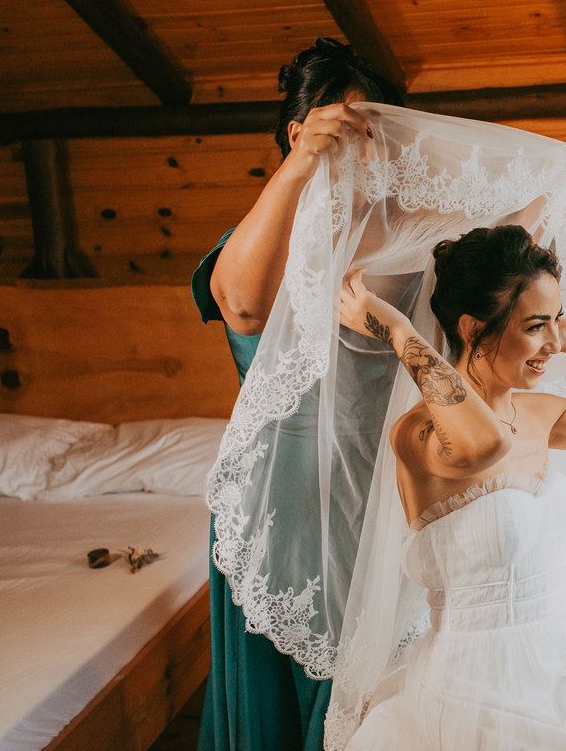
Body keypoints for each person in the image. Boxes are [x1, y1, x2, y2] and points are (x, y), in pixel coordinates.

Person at [335, 225, 566, 750]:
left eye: (555, 324)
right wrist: (398, 333)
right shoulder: (420, 433)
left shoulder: (542, 414)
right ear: (473, 328)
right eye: (535, 327)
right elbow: (484, 447)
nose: (551, 343)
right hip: (474, 686)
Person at [190, 37, 403, 751]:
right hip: (278, 504)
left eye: (372, 129)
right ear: (296, 132)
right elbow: (245, 308)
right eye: (340, 126)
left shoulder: (404, 248)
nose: (357, 144)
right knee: (278, 713)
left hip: (375, 498)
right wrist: (302, 165)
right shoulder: (261, 238)